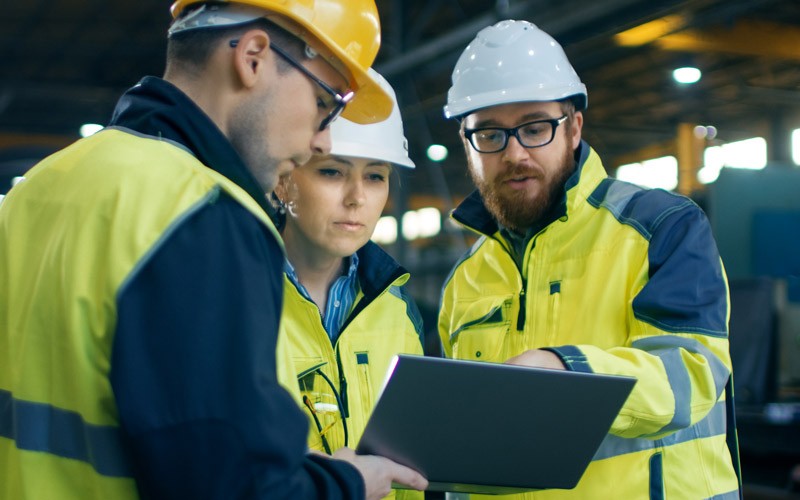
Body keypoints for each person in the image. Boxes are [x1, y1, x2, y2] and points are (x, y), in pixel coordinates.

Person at [0, 1, 427, 499]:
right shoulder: (203, 213)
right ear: (252, 57)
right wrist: (346, 483)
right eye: (323, 102)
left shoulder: (41, 186)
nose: (320, 139)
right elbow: (234, 485)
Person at [437, 20, 740, 499]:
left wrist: (565, 371)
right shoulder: (466, 279)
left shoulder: (662, 227)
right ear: (467, 145)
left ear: (573, 128)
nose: (514, 153)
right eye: (490, 134)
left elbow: (690, 378)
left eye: (535, 128)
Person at [274, 69, 424, 500]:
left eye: (375, 177)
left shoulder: (396, 306)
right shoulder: (238, 297)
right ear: (284, 180)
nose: (357, 197)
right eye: (333, 173)